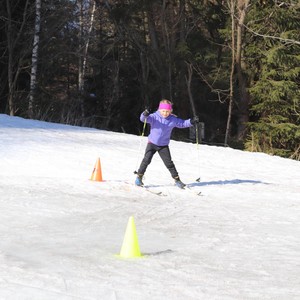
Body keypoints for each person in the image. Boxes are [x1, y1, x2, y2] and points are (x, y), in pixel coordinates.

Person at [135, 99, 199, 188]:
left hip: (163, 146)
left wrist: (191, 121)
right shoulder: (154, 117)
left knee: (169, 163)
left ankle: (177, 180)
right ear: (160, 110)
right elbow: (143, 119)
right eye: (163, 111)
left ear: (170, 111)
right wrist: (145, 113)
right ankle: (139, 177)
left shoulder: (172, 119)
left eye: (167, 111)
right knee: (146, 160)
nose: (165, 113)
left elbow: (182, 123)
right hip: (152, 143)